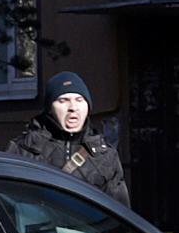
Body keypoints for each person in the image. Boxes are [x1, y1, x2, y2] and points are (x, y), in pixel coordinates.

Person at [14, 70, 130, 201]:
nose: (73, 107)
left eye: (79, 100)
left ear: (88, 106)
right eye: (63, 100)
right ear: (50, 108)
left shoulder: (105, 156)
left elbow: (119, 210)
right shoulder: (24, 149)